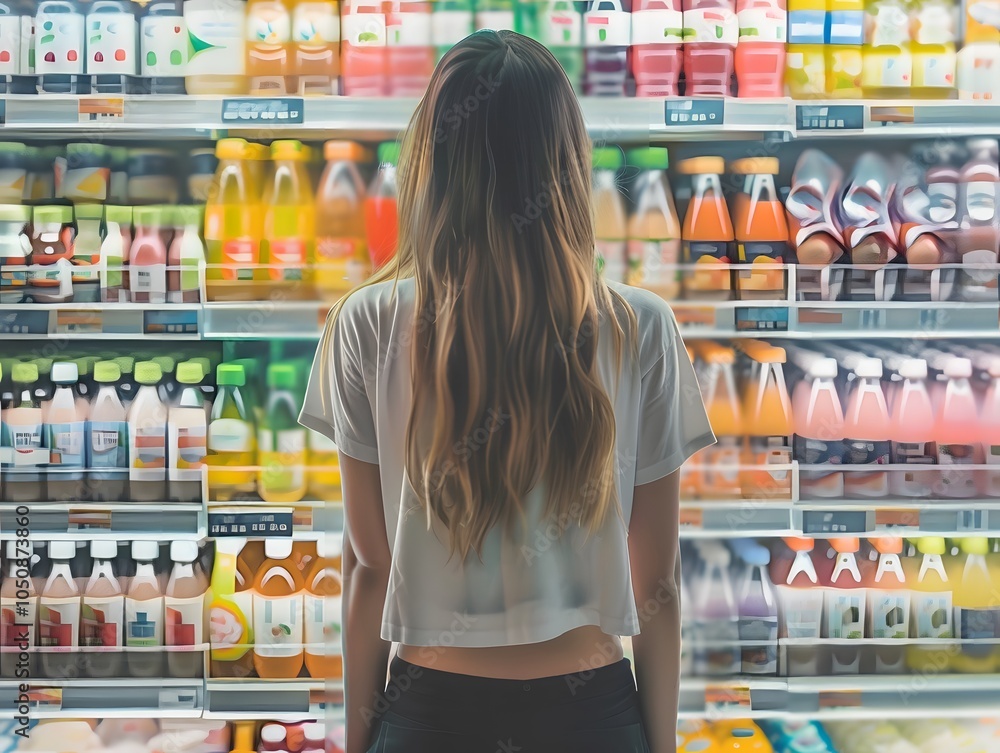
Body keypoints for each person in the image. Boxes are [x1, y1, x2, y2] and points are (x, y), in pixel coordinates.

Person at [300, 29, 715, 753]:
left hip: (430, 713)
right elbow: (661, 585)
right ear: (567, 158)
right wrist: (657, 743)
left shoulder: (364, 321)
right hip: (594, 712)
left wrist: (366, 735)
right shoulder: (639, 326)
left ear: (432, 157)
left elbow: (369, 566)